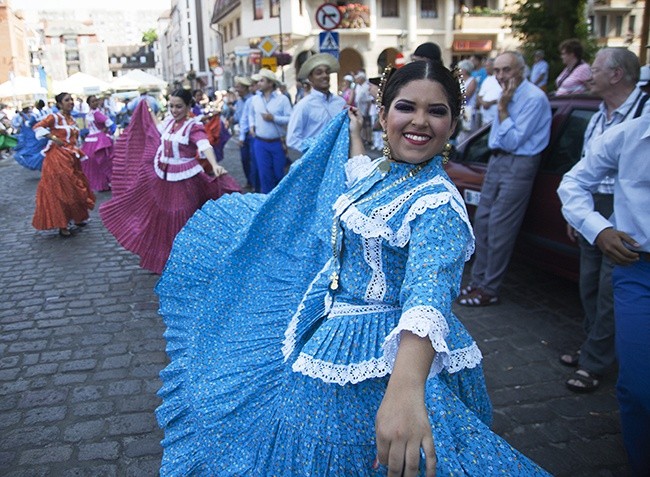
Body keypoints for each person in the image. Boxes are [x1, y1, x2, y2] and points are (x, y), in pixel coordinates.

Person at [154, 60, 551, 476]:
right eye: (406, 107)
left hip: (386, 355)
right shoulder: (388, 175)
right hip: (334, 330)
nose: (420, 121)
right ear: (384, 116)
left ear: (453, 125)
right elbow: (360, 173)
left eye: (437, 111)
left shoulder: (438, 203)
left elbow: (428, 295)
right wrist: (355, 136)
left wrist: (405, 390)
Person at [557, 113, 650, 477]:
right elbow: (573, 183)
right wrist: (599, 230)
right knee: (640, 386)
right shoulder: (629, 133)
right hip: (638, 269)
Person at [557, 48, 649, 393]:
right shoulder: (598, 114)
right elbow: (583, 170)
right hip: (593, 207)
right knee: (590, 285)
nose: (588, 75)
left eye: (595, 69)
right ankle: (594, 345)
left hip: (624, 211)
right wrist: (583, 218)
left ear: (617, 74)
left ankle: (595, 362)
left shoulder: (642, 113)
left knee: (613, 292)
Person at [99, 89, 241, 274]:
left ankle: (189, 261)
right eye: (171, 106)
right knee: (161, 218)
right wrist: (146, 112)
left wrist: (214, 165)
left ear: (189, 106)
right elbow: (153, 131)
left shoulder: (193, 126)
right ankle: (164, 259)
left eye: (179, 106)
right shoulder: (168, 123)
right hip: (163, 178)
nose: (174, 110)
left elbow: (204, 145)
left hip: (185, 179)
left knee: (182, 217)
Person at [458, 51, 552, 306]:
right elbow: (495, 139)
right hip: (498, 161)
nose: (500, 76)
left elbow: (512, 139)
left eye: (506, 70)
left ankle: (489, 288)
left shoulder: (533, 98)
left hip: (519, 163)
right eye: (497, 70)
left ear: (521, 70)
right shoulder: (507, 95)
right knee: (482, 222)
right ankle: (477, 282)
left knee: (500, 228)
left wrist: (501, 108)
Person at [31, 92, 95, 237]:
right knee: (61, 190)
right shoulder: (54, 117)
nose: (71, 102)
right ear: (59, 104)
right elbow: (37, 127)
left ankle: (78, 217)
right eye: (67, 100)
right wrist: (53, 137)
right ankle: (62, 224)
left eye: (71, 99)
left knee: (75, 187)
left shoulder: (72, 119)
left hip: (71, 158)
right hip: (57, 159)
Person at [287, 53, 346, 153]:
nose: (325, 76)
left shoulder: (340, 102)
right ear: (310, 78)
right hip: (315, 163)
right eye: (319, 73)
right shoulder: (304, 105)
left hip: (340, 159)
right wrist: (314, 151)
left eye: (327, 72)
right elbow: (292, 140)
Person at [249, 68, 292, 193]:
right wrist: (252, 125)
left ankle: (279, 202)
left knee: (279, 175)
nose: (258, 83)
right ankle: (267, 203)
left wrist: (274, 118)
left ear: (270, 83)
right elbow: (251, 114)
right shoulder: (255, 99)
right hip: (260, 143)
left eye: (262, 81)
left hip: (277, 143)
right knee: (264, 175)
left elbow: (290, 118)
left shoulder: (282, 99)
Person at [80, 95, 114, 192]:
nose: (95, 103)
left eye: (96, 101)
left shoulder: (90, 114)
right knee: (104, 161)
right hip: (99, 139)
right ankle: (105, 182)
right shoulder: (97, 113)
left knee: (96, 162)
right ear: (89, 104)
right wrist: (105, 131)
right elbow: (109, 123)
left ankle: (101, 183)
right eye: (93, 101)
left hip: (91, 140)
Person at [233, 76, 257, 191]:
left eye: (239, 87)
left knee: (253, 159)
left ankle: (254, 183)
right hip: (243, 133)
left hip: (251, 134)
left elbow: (248, 119)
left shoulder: (253, 100)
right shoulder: (238, 101)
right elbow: (239, 118)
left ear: (245, 88)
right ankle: (249, 180)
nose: (236, 89)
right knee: (244, 159)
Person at [13, 105, 48, 171]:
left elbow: (29, 123)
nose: (29, 109)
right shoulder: (19, 116)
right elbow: (16, 124)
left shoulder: (34, 115)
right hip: (28, 135)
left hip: (33, 135)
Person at [456, 59, 478, 142]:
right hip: (460, 109)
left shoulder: (472, 81)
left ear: (464, 70)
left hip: (468, 109)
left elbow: (467, 95)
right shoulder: (460, 81)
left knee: (467, 131)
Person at [476, 58, 502, 126]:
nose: (485, 68)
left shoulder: (501, 78)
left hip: (497, 119)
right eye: (485, 66)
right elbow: (479, 96)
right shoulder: (487, 79)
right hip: (485, 120)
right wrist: (483, 103)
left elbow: (505, 95)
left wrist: (490, 103)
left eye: (487, 66)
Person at [354, 71, 373, 145]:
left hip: (365, 108)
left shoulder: (366, 86)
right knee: (363, 125)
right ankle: (364, 138)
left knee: (368, 124)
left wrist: (367, 110)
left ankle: (369, 139)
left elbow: (369, 100)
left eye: (358, 78)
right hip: (360, 108)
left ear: (361, 79)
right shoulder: (359, 86)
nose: (357, 80)